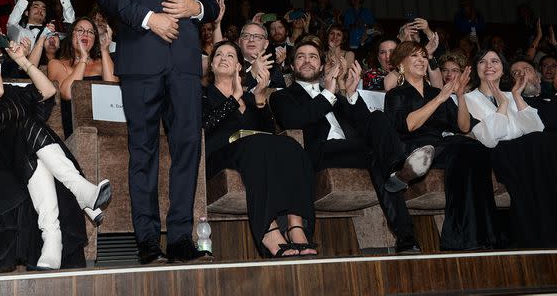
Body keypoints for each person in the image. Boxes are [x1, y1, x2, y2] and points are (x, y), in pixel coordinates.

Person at [96, 0, 218, 265]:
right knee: (143, 153)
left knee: (187, 150)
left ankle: (181, 239)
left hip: (184, 66)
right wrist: (150, 19)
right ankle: (147, 241)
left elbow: (212, 3)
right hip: (142, 64)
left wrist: (195, 9)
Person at [0, 36, 110, 271]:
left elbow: (49, 91)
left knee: (30, 140)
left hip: (28, 151)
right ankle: (80, 189)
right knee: (24, 126)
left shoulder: (11, 90)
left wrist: (23, 60)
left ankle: (52, 239)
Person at [270, 41, 435, 254]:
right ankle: (400, 169)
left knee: (377, 122)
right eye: (301, 56)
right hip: (319, 152)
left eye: (313, 56)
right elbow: (294, 121)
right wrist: (329, 93)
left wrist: (350, 95)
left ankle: (406, 236)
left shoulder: (337, 98)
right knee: (378, 157)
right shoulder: (282, 95)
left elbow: (367, 126)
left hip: (352, 149)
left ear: (321, 66)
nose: (307, 60)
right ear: (292, 66)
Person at [203, 41, 316, 257]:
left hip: (252, 150)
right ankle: (269, 231)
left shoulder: (249, 97)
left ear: (238, 66)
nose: (224, 58)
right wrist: (234, 98)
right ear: (211, 65)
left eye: (230, 55)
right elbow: (205, 125)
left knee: (290, 144)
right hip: (218, 154)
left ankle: (296, 225)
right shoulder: (203, 94)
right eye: (218, 55)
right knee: (256, 145)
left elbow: (267, 132)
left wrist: (260, 98)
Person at [383, 41, 499, 250]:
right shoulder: (396, 94)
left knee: (477, 148)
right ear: (401, 62)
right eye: (414, 56)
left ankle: (485, 235)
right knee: (462, 150)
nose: (421, 60)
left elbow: (463, 126)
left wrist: (460, 95)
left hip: (444, 144)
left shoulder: (437, 92)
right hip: (417, 148)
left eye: (423, 56)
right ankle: (459, 237)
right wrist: (440, 98)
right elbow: (408, 125)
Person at [464, 49, 557, 247]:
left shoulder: (512, 94)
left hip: (527, 150)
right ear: (476, 69)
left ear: (503, 70)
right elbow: (490, 138)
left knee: (544, 141)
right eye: (483, 61)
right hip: (497, 153)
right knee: (539, 144)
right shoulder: (467, 99)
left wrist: (515, 96)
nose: (489, 65)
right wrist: (503, 104)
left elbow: (536, 128)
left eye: (495, 61)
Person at [47, 17, 118, 138]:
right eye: (80, 30)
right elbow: (68, 93)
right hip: (75, 128)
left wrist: (104, 50)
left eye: (90, 32)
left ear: (95, 39)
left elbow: (113, 91)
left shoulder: (102, 63)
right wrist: (83, 58)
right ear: (71, 36)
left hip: (106, 125)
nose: (85, 33)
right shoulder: (56, 64)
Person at [511, 58, 557, 131]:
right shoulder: (511, 104)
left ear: (538, 78)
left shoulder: (551, 97)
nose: (523, 75)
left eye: (527, 70)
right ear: (513, 82)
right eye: (516, 73)